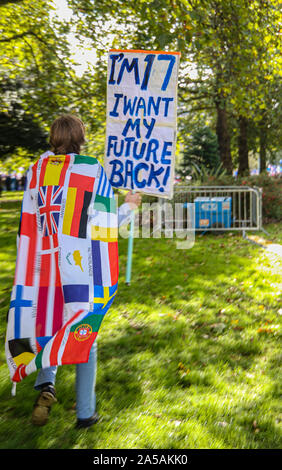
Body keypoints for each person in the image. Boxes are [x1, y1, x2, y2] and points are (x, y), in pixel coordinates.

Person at [11, 115, 141, 429]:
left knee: (49, 325)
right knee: (84, 336)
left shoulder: (36, 171)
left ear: (53, 137)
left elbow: (28, 222)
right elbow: (103, 223)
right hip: (80, 269)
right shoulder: (90, 169)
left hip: (44, 268)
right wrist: (130, 206)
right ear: (80, 138)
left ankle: (46, 385)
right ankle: (85, 413)